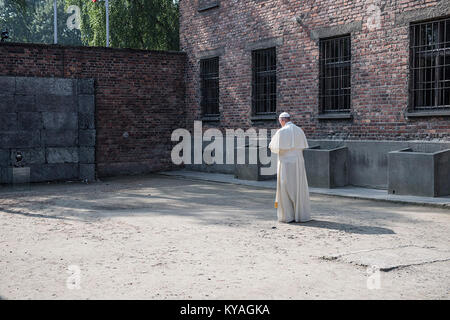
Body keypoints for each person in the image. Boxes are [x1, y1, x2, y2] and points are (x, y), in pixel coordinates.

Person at [269, 112, 311, 223]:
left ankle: (287, 216)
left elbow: (272, 147)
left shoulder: (281, 131)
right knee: (298, 187)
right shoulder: (299, 130)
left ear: (282, 120)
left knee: (285, 188)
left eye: (280, 121)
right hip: (298, 162)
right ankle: (301, 215)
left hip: (285, 163)